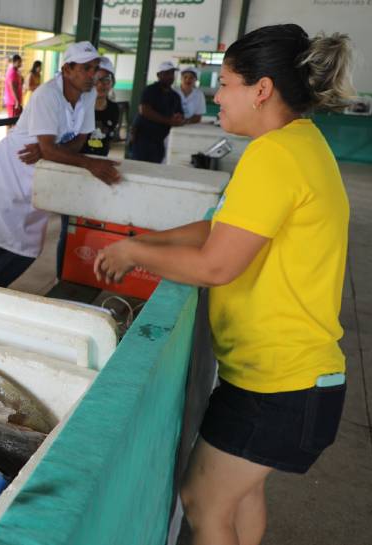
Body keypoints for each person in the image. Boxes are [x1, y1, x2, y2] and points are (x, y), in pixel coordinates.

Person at [94, 24, 353, 545]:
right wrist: (158, 240)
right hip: (283, 377)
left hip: (281, 383)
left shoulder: (275, 155)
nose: (217, 94)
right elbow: (226, 228)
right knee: (239, 498)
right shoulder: (298, 143)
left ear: (261, 90)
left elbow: (216, 266)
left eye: (228, 82)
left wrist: (133, 253)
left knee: (203, 500)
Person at [0, 42, 121, 288]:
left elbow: (79, 139)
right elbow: (51, 147)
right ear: (67, 69)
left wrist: (51, 150)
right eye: (86, 68)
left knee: (28, 245)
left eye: (95, 68)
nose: (92, 75)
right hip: (13, 166)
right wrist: (86, 162)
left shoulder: (87, 96)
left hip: (41, 172)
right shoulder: (47, 94)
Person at [56, 56, 121, 278]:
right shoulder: (80, 106)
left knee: (94, 223)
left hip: (98, 171)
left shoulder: (114, 110)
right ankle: (63, 273)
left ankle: (87, 272)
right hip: (77, 167)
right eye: (98, 78)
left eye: (106, 80)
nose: (101, 84)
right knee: (70, 224)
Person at [129, 60, 183, 163]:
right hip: (143, 139)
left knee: (155, 168)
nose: (170, 76)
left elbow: (179, 114)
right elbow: (144, 110)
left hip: (160, 141)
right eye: (167, 73)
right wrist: (168, 121)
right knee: (139, 167)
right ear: (158, 75)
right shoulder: (150, 90)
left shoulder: (175, 96)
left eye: (172, 73)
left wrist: (179, 119)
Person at [3, 54, 24, 119]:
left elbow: (20, 83)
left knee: (16, 120)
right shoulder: (12, 72)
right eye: (19, 62)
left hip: (15, 101)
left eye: (21, 62)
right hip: (12, 102)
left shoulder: (16, 71)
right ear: (14, 62)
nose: (20, 64)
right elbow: (12, 88)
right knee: (12, 120)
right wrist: (17, 101)